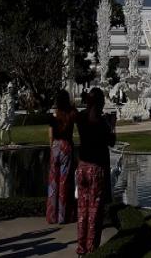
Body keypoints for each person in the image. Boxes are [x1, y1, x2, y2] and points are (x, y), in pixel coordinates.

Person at [75, 88, 116, 255]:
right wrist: (112, 125)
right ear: (100, 103)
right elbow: (111, 142)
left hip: (82, 167)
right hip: (96, 169)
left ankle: (81, 247)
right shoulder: (101, 122)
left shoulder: (81, 117)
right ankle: (92, 249)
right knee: (94, 211)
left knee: (82, 209)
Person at [47, 89, 78, 225]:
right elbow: (77, 114)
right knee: (64, 181)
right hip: (66, 146)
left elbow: (50, 135)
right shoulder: (70, 115)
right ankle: (63, 215)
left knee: (53, 181)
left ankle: (52, 215)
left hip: (55, 146)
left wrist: (52, 148)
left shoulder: (54, 115)